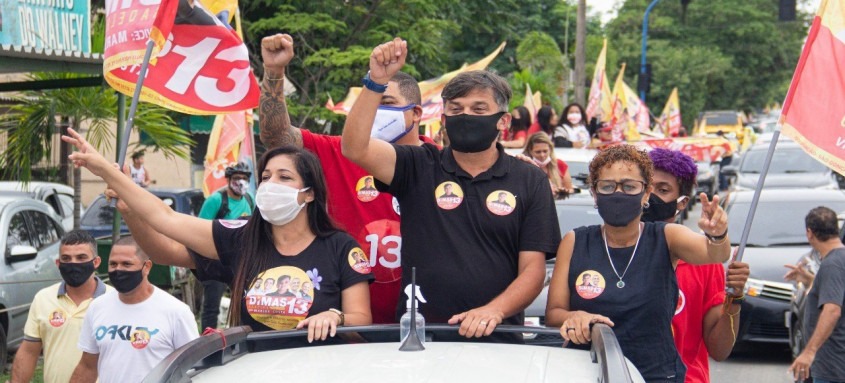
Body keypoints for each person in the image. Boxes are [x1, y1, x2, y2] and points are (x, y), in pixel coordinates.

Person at [341, 38, 560, 342]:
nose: (466, 116)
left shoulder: (529, 179)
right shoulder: (418, 165)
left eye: (479, 108)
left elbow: (533, 272)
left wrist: (493, 311)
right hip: (419, 339)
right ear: (443, 120)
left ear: (503, 121)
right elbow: (354, 148)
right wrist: (376, 81)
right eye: (456, 109)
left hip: (498, 341)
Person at [63, 129, 373, 344]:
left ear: (309, 194)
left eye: (284, 177)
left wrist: (335, 317)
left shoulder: (340, 247)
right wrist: (107, 172)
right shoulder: (241, 237)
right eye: (265, 177)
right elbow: (165, 218)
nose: (269, 185)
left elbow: (362, 317)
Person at [259, 33, 434, 325]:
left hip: (429, 329)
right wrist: (274, 73)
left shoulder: (442, 165)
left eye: (386, 102)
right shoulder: (338, 152)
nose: (375, 111)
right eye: (371, 101)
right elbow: (276, 138)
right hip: (347, 331)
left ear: (415, 113)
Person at [545, 144, 731, 382]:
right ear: (594, 192)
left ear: (646, 194)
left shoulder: (666, 236)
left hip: (655, 374)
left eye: (629, 186)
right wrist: (577, 316)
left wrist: (717, 234)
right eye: (607, 186)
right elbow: (554, 313)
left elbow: (715, 254)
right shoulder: (575, 241)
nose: (618, 194)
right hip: (588, 372)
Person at [641, 148, 750, 383]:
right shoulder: (611, 251)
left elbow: (719, 351)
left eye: (663, 190)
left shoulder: (704, 262)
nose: (651, 198)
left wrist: (734, 298)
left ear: (682, 203)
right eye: (646, 187)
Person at [70, 236, 198, 383]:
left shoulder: (176, 312)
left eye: (126, 264)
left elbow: (192, 367)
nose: (118, 270)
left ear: (147, 267)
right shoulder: (97, 307)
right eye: (113, 264)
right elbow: (87, 366)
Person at [10, 230, 112, 383]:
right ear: (58, 263)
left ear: (96, 262)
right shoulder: (43, 298)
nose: (73, 263)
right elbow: (29, 352)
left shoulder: (115, 300)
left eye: (81, 257)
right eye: (66, 258)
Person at [196, 162, 255, 330]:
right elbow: (200, 229)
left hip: (240, 260)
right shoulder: (216, 200)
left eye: (244, 179)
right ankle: (208, 343)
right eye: (236, 178)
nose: (241, 182)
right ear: (228, 180)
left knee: (243, 304)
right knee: (212, 305)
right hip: (215, 260)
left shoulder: (250, 200)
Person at [789, 207, 845, 383]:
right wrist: (809, 280)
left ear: (809, 233)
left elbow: (832, 310)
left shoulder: (832, 264)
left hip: (832, 365)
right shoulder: (839, 259)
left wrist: (809, 352)